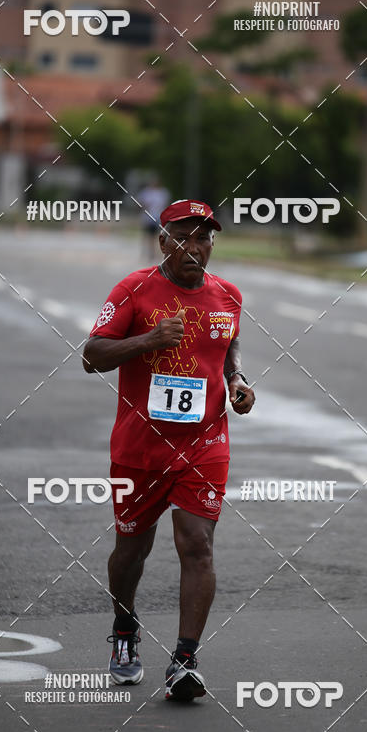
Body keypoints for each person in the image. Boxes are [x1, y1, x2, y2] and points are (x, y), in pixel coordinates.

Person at [84, 199, 255, 702]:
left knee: (197, 544)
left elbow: (227, 346)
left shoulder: (228, 295)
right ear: (163, 241)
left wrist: (238, 380)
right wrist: (149, 339)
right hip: (139, 449)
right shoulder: (134, 290)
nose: (195, 247)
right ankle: (124, 627)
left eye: (204, 238)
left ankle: (184, 659)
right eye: (184, 236)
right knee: (130, 550)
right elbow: (92, 356)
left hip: (204, 442)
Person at [137, 177, 170, 260]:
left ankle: (157, 253)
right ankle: (149, 253)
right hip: (149, 218)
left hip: (159, 217)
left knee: (159, 236)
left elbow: (165, 205)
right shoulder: (146, 192)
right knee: (148, 236)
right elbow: (142, 204)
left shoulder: (162, 193)